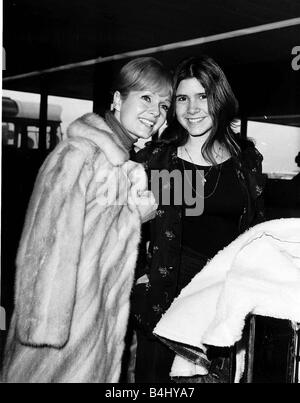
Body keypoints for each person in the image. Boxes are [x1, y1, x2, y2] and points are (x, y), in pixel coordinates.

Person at [0, 57, 172, 383]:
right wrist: (45, 335)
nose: (156, 112)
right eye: (146, 98)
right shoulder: (77, 155)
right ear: (118, 99)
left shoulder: (123, 167)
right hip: (58, 342)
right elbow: (45, 246)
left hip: (94, 335)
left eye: (163, 105)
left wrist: (134, 216)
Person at [131, 55, 266, 383]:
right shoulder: (166, 163)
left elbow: (254, 234)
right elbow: (146, 226)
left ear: (219, 98)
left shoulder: (243, 163)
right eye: (182, 98)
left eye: (202, 96)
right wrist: (138, 276)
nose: (192, 108)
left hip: (223, 312)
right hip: (168, 313)